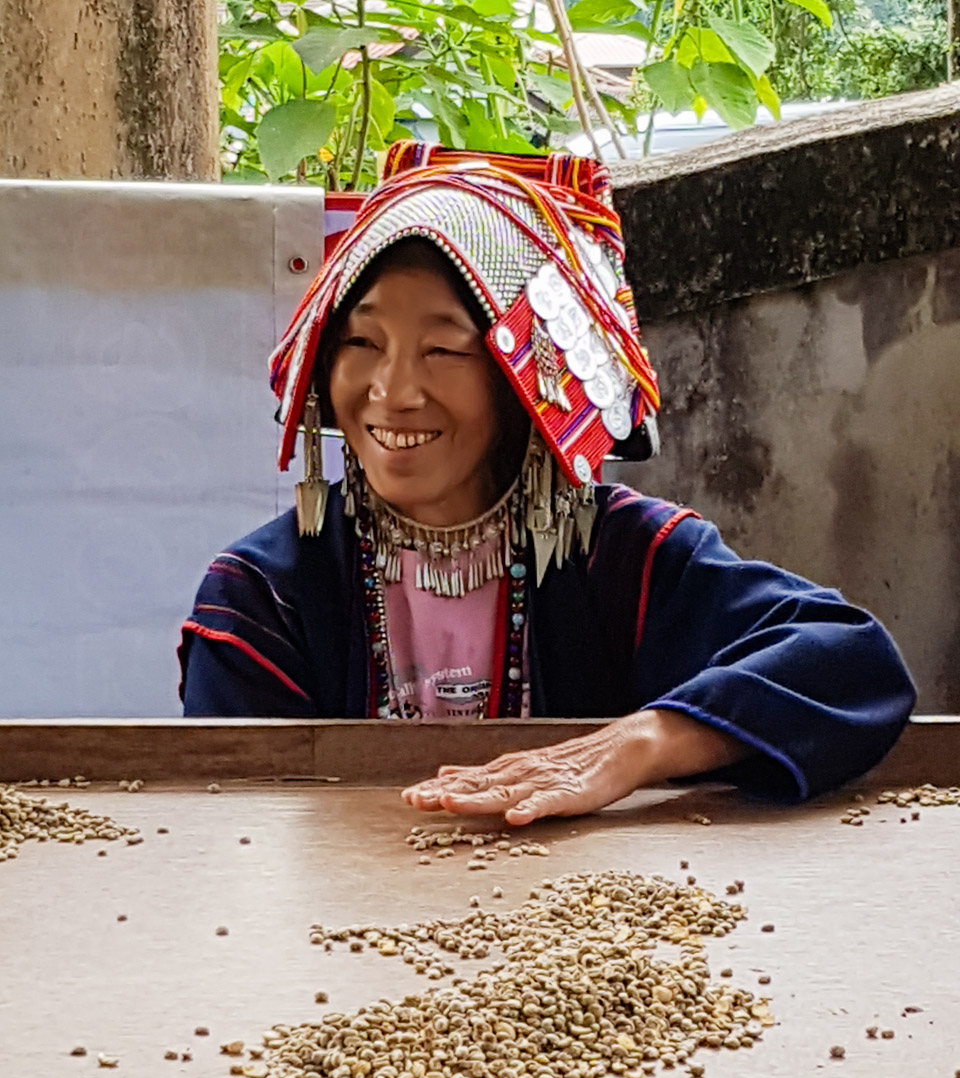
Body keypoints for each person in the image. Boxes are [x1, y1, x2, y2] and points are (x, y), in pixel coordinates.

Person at [179, 142, 916, 825]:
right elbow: (238, 828)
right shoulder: (262, 598)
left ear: (522, 384)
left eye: (442, 349)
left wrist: (646, 742)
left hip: (594, 945)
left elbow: (853, 661)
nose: (393, 390)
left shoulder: (625, 557)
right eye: (362, 343)